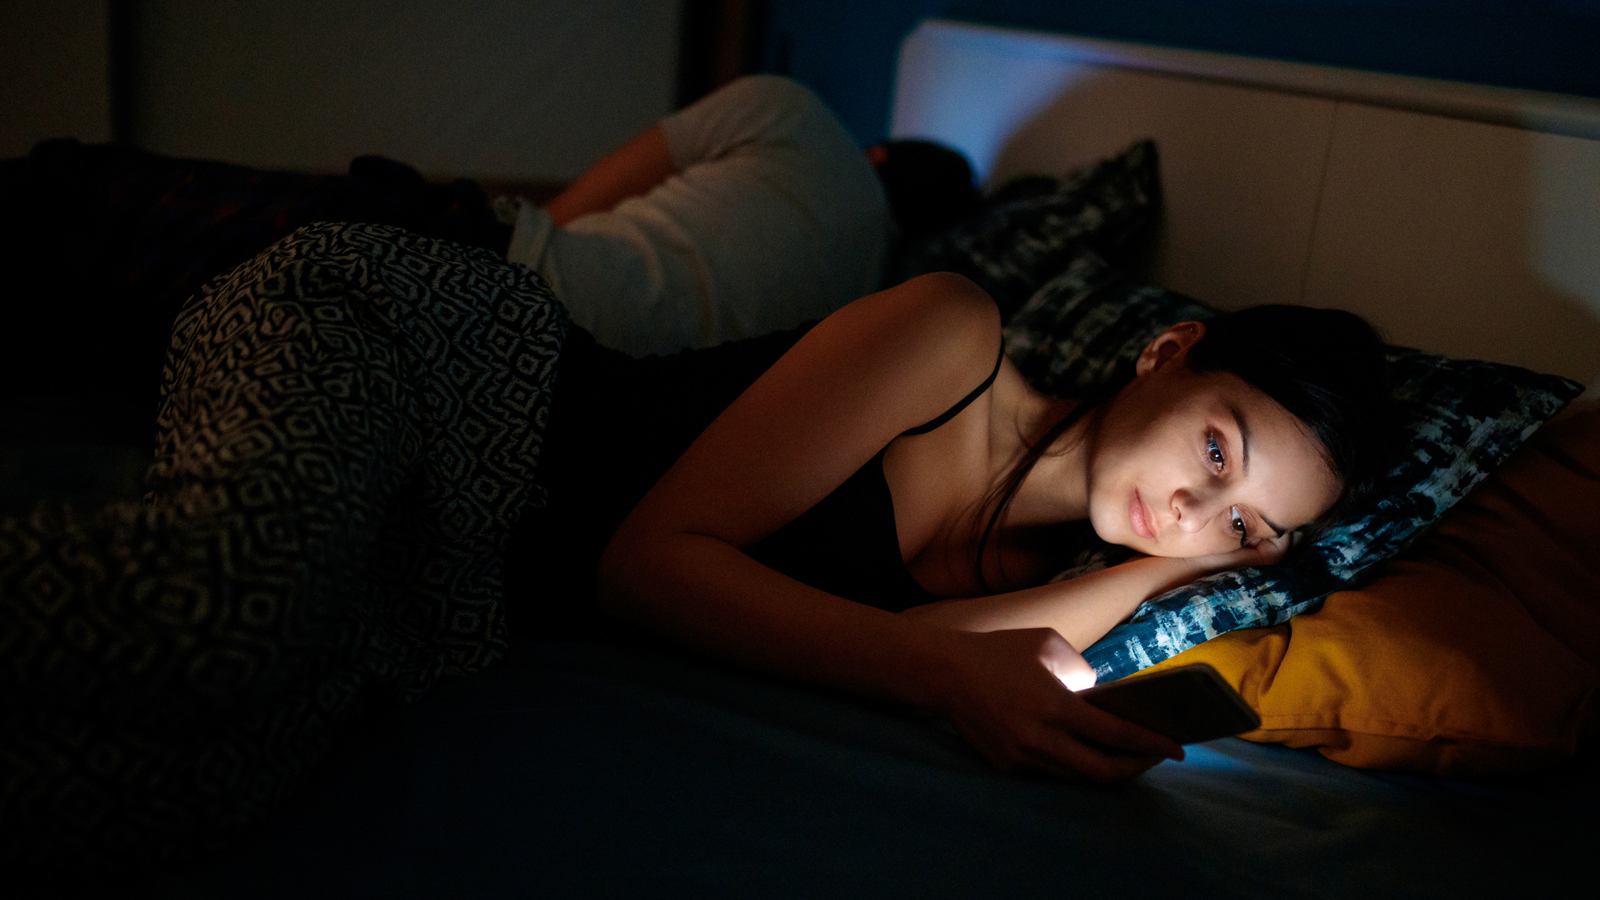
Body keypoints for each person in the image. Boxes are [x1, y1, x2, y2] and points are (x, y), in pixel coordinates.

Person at [0, 221, 1390, 874]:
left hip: (456, 585)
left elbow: (892, 654)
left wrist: (1187, 569)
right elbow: (653, 565)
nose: (1201, 512)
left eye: (1249, 524)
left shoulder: (1055, 587)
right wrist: (965, 677)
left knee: (137, 793)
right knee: (209, 615)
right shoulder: (954, 333)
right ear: (1168, 350)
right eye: (1217, 448)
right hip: (441, 375)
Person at [501, 75, 978, 357]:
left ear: (877, 154)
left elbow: (584, 199)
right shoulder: (864, 307)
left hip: (543, 287)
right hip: (596, 392)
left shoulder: (791, 110)